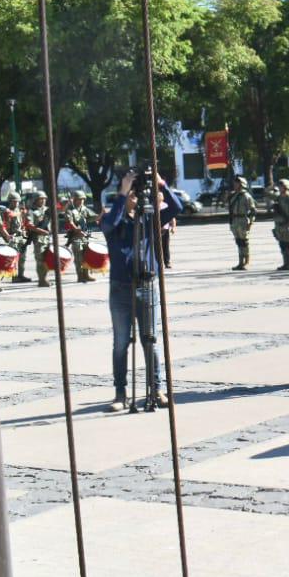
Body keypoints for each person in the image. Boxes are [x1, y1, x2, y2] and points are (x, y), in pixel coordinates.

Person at [101, 170, 182, 412]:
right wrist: (123, 192)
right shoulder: (113, 217)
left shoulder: (148, 219)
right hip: (120, 289)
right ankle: (120, 393)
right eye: (131, 194)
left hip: (146, 285)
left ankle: (156, 388)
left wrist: (162, 183)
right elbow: (107, 226)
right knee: (121, 343)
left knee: (151, 340)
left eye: (137, 194)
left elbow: (177, 207)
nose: (136, 198)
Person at [64, 192, 95, 283]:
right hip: (76, 237)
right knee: (79, 258)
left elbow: (92, 217)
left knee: (87, 256)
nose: (81, 201)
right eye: (79, 199)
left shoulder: (84, 209)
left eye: (82, 199)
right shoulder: (70, 210)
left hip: (85, 237)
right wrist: (77, 230)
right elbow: (70, 222)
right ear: (75, 200)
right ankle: (80, 276)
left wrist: (101, 215)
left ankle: (86, 274)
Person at [228, 176, 256, 270]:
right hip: (235, 221)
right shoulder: (233, 195)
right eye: (235, 183)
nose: (234, 184)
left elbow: (252, 210)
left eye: (237, 183)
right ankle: (240, 262)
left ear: (241, 185)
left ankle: (246, 262)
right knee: (239, 242)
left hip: (243, 220)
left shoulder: (246, 196)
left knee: (244, 242)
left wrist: (250, 222)